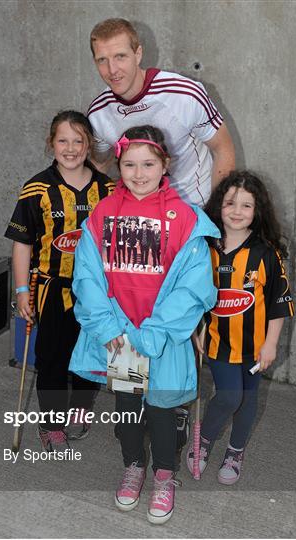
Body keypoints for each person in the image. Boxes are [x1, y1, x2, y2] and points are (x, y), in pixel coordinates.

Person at [69, 125, 219, 524]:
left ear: (165, 164)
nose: (138, 173)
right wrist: (110, 330)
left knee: (162, 410)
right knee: (127, 407)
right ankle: (133, 466)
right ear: (118, 165)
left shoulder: (185, 219)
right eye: (130, 164)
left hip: (162, 338)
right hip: (120, 335)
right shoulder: (102, 214)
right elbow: (87, 275)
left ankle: (165, 476)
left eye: (148, 163)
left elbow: (193, 286)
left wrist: (153, 333)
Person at [5, 110, 114, 452]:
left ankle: (80, 409)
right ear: (51, 143)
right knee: (52, 356)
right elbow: (22, 244)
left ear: (89, 144)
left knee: (90, 353)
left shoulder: (108, 189)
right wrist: (22, 289)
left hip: (97, 291)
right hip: (52, 288)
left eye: (78, 140)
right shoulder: (36, 188)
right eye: (62, 140)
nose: (70, 148)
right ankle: (51, 421)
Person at [186, 170, 294, 484]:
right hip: (218, 342)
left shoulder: (267, 254)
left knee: (248, 399)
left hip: (256, 345)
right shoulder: (203, 247)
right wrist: (195, 330)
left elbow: (278, 302)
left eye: (246, 206)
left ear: (257, 211)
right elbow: (191, 295)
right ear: (219, 205)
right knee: (230, 396)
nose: (237, 211)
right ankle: (204, 438)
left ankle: (235, 450)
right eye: (231, 203)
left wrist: (271, 344)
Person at [87, 18, 235, 208]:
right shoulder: (98, 113)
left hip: (195, 210)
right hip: (141, 217)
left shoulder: (184, 94)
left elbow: (223, 149)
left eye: (120, 56)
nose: (112, 69)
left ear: (138, 54)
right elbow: (99, 164)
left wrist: (215, 214)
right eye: (102, 60)